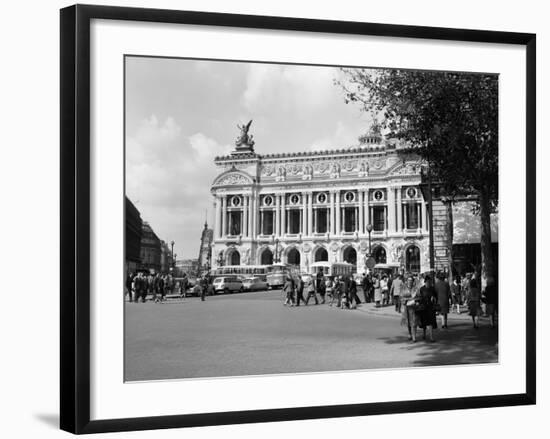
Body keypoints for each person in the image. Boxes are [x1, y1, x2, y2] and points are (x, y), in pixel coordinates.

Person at [417, 275, 437, 342]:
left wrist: (433, 298)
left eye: (430, 282)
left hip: (430, 307)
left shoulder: (432, 288)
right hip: (423, 307)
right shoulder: (422, 289)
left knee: (430, 322)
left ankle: (431, 337)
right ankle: (424, 334)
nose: (429, 283)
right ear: (425, 282)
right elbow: (419, 297)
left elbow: (436, 297)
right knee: (424, 322)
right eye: (427, 282)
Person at [400, 275, 420, 342]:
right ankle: (409, 334)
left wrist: (416, 301)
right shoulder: (403, 288)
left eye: (411, 280)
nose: (409, 282)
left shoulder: (416, 288)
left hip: (414, 307)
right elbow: (401, 297)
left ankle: (414, 337)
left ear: (413, 281)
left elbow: (419, 297)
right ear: (406, 281)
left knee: (414, 322)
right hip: (406, 307)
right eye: (408, 280)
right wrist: (407, 300)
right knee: (408, 322)